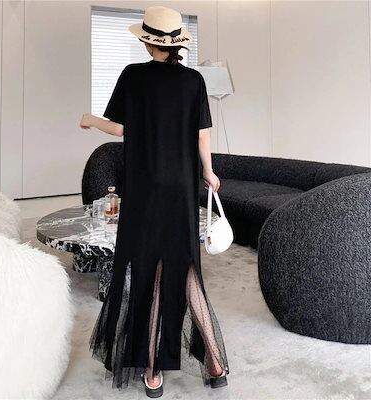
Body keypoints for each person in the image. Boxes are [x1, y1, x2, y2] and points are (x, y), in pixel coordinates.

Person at [80, 5, 229, 398]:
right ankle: (215, 363)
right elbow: (202, 135)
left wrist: (90, 120)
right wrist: (208, 172)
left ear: (147, 42)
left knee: (147, 269)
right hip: (181, 190)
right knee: (185, 267)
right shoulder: (194, 80)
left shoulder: (134, 76)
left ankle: (152, 370)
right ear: (177, 43)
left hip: (144, 189)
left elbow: (120, 128)